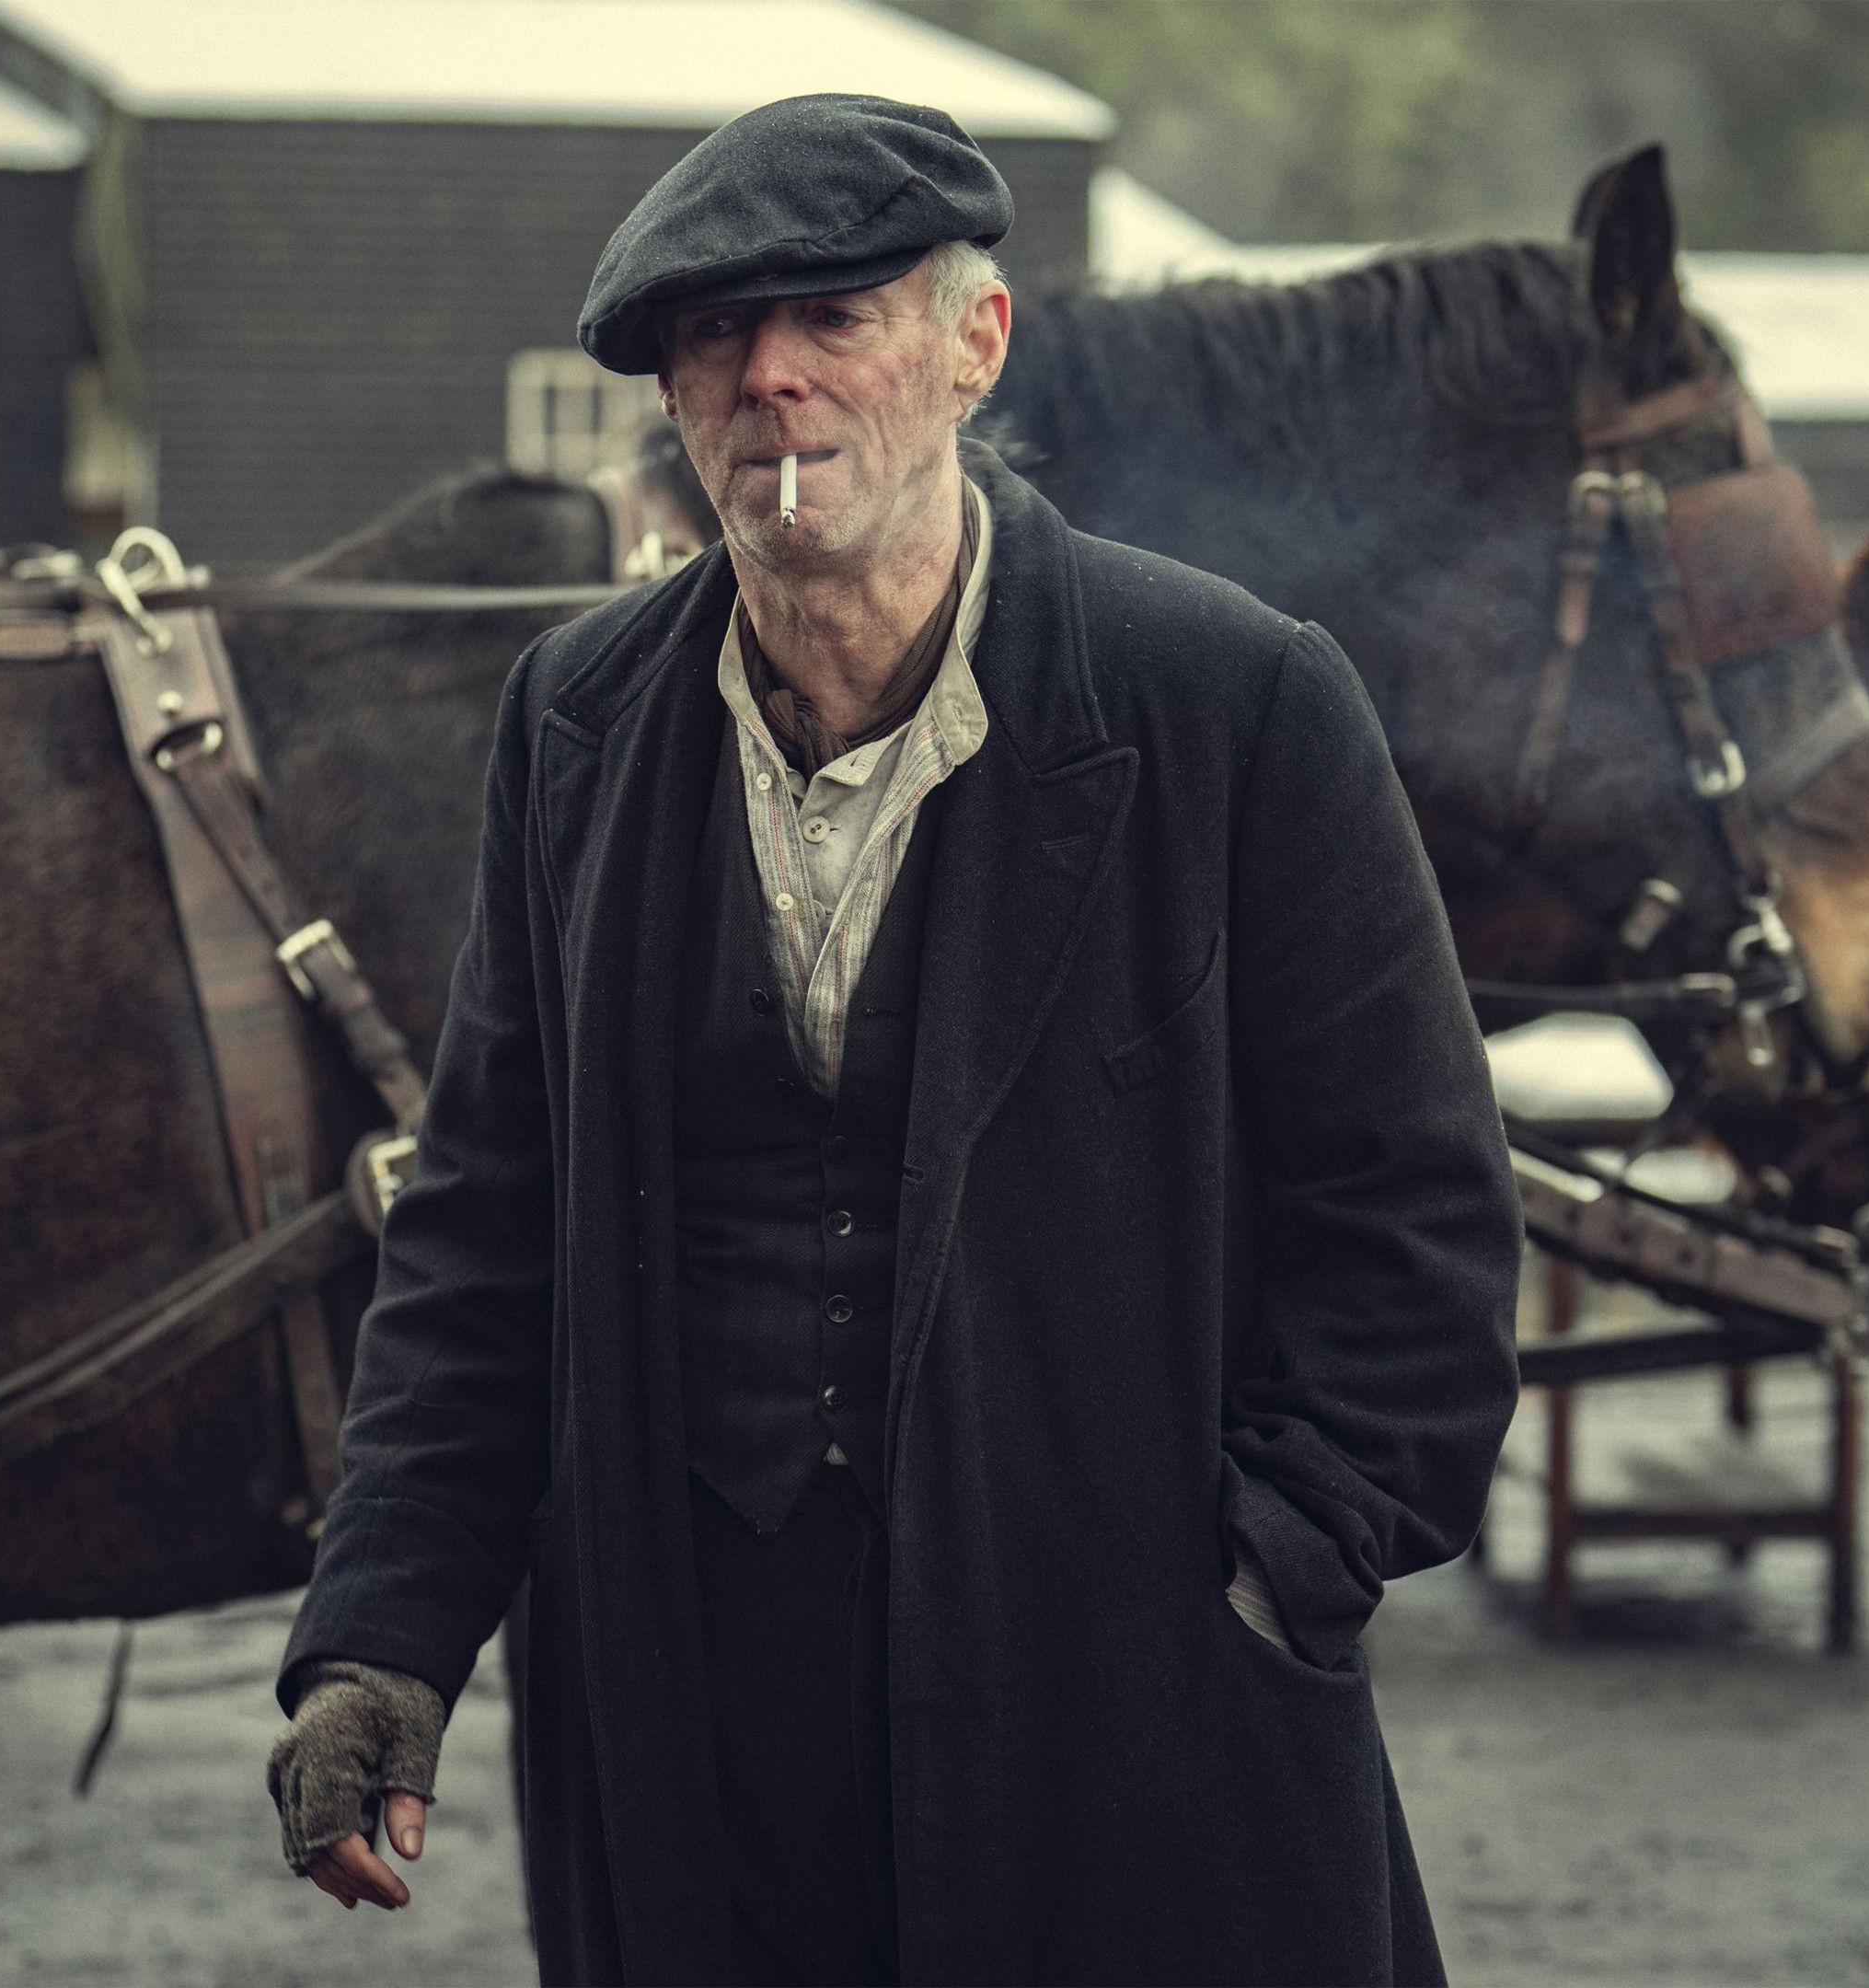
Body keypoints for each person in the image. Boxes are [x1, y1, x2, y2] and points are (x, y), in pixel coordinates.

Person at [266, 93, 1523, 1987]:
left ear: (973, 345)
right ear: (674, 400)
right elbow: (485, 1232)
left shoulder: (1236, 704)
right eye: (716, 334)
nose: (771, 376)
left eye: (835, 317)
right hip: (699, 1723)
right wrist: (380, 1641)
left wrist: (1272, 1579)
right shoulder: (574, 723)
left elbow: (1416, 1236)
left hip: (1130, 1720)